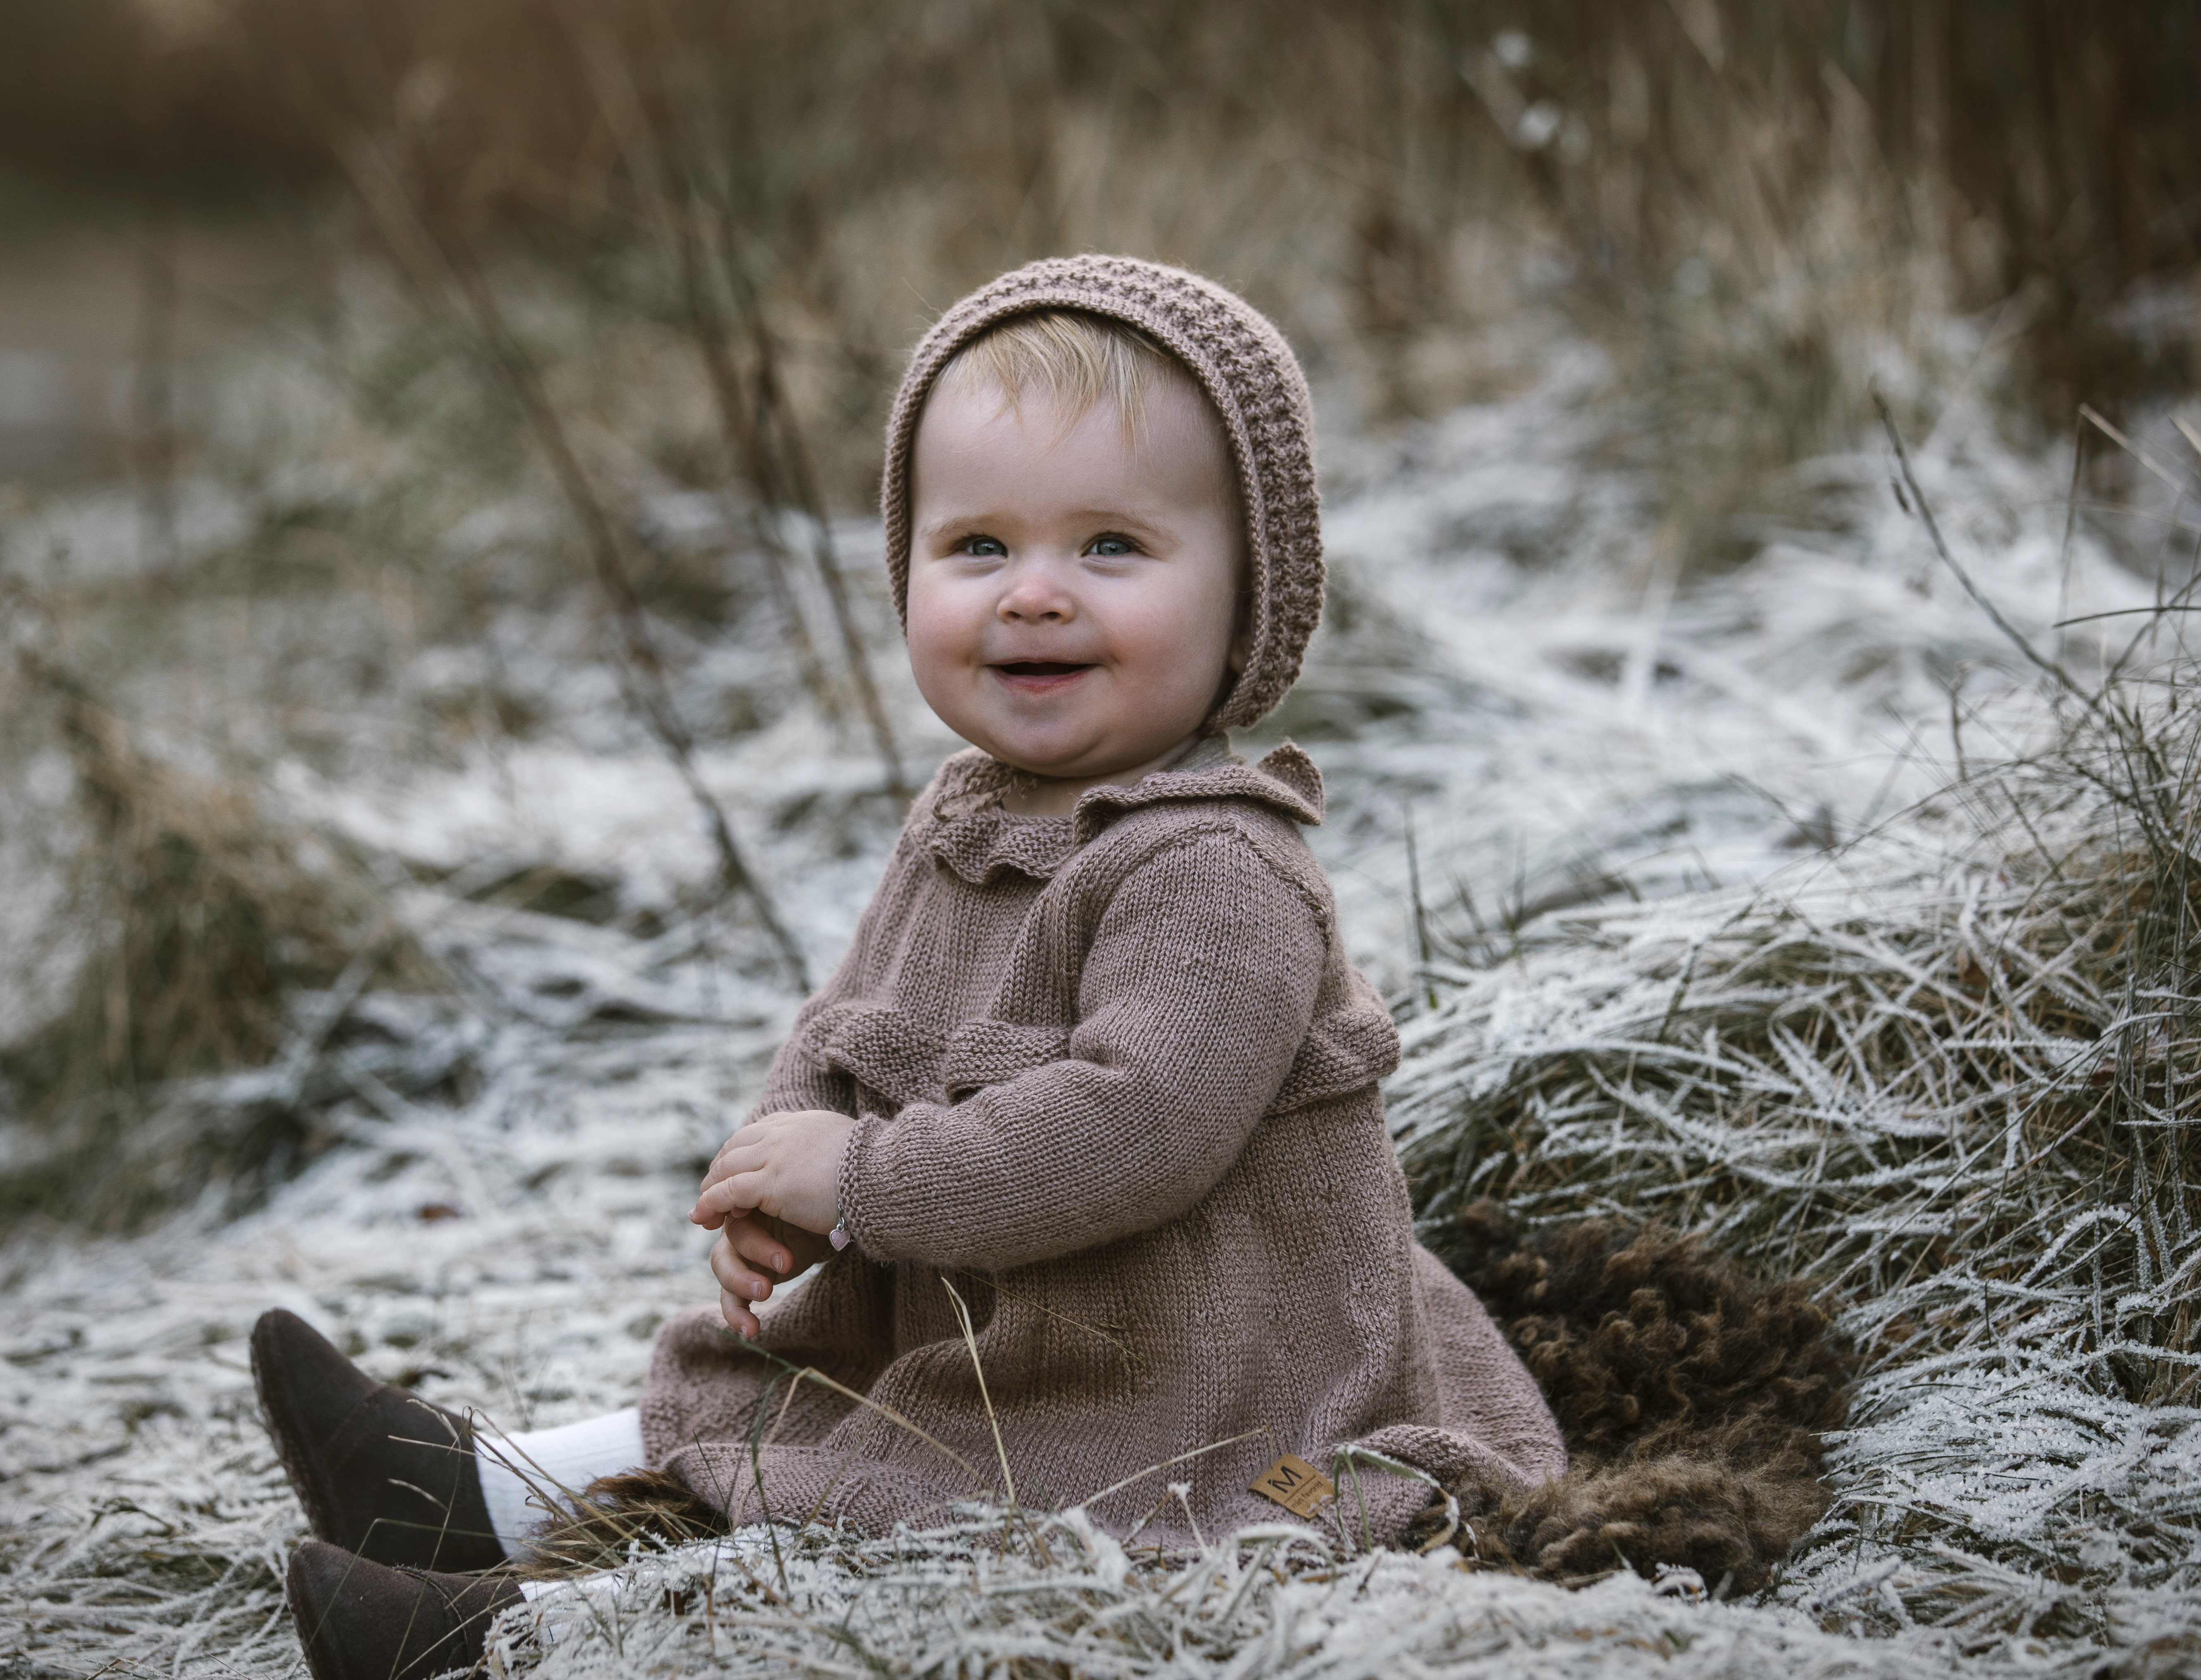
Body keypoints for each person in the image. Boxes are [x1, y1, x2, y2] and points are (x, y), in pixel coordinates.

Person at [256, 256, 1568, 1680]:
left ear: (1247, 592)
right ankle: (458, 1493)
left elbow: (1134, 1128)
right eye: (979, 547)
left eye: (1111, 547)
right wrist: (780, 1171)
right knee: (794, 1402)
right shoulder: (964, 816)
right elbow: (854, 1026)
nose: (1035, 597)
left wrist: (867, 1182)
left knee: (916, 1523)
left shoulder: (1215, 872)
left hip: (1193, 1386)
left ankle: (510, 1639)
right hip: (992, 1324)